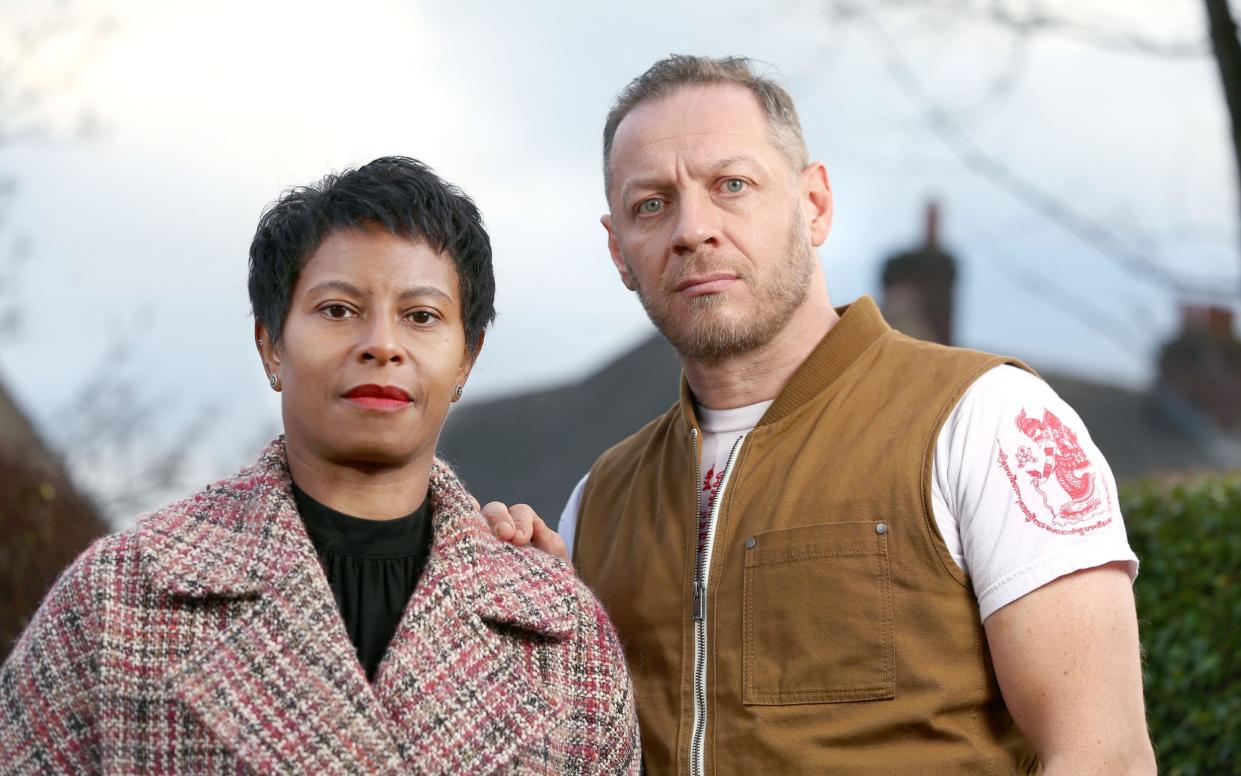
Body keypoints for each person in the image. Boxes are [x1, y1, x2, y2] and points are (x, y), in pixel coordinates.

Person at [484, 56, 1156, 774]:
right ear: (619, 249)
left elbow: (1103, 755)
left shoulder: (991, 420)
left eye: (731, 185)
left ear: (814, 205)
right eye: (650, 203)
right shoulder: (598, 499)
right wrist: (553, 636)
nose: (692, 228)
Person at [0, 156, 639, 774]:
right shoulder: (120, 597)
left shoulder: (559, 632)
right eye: (338, 310)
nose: (382, 346)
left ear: (466, 359)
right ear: (271, 344)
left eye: (421, 316)